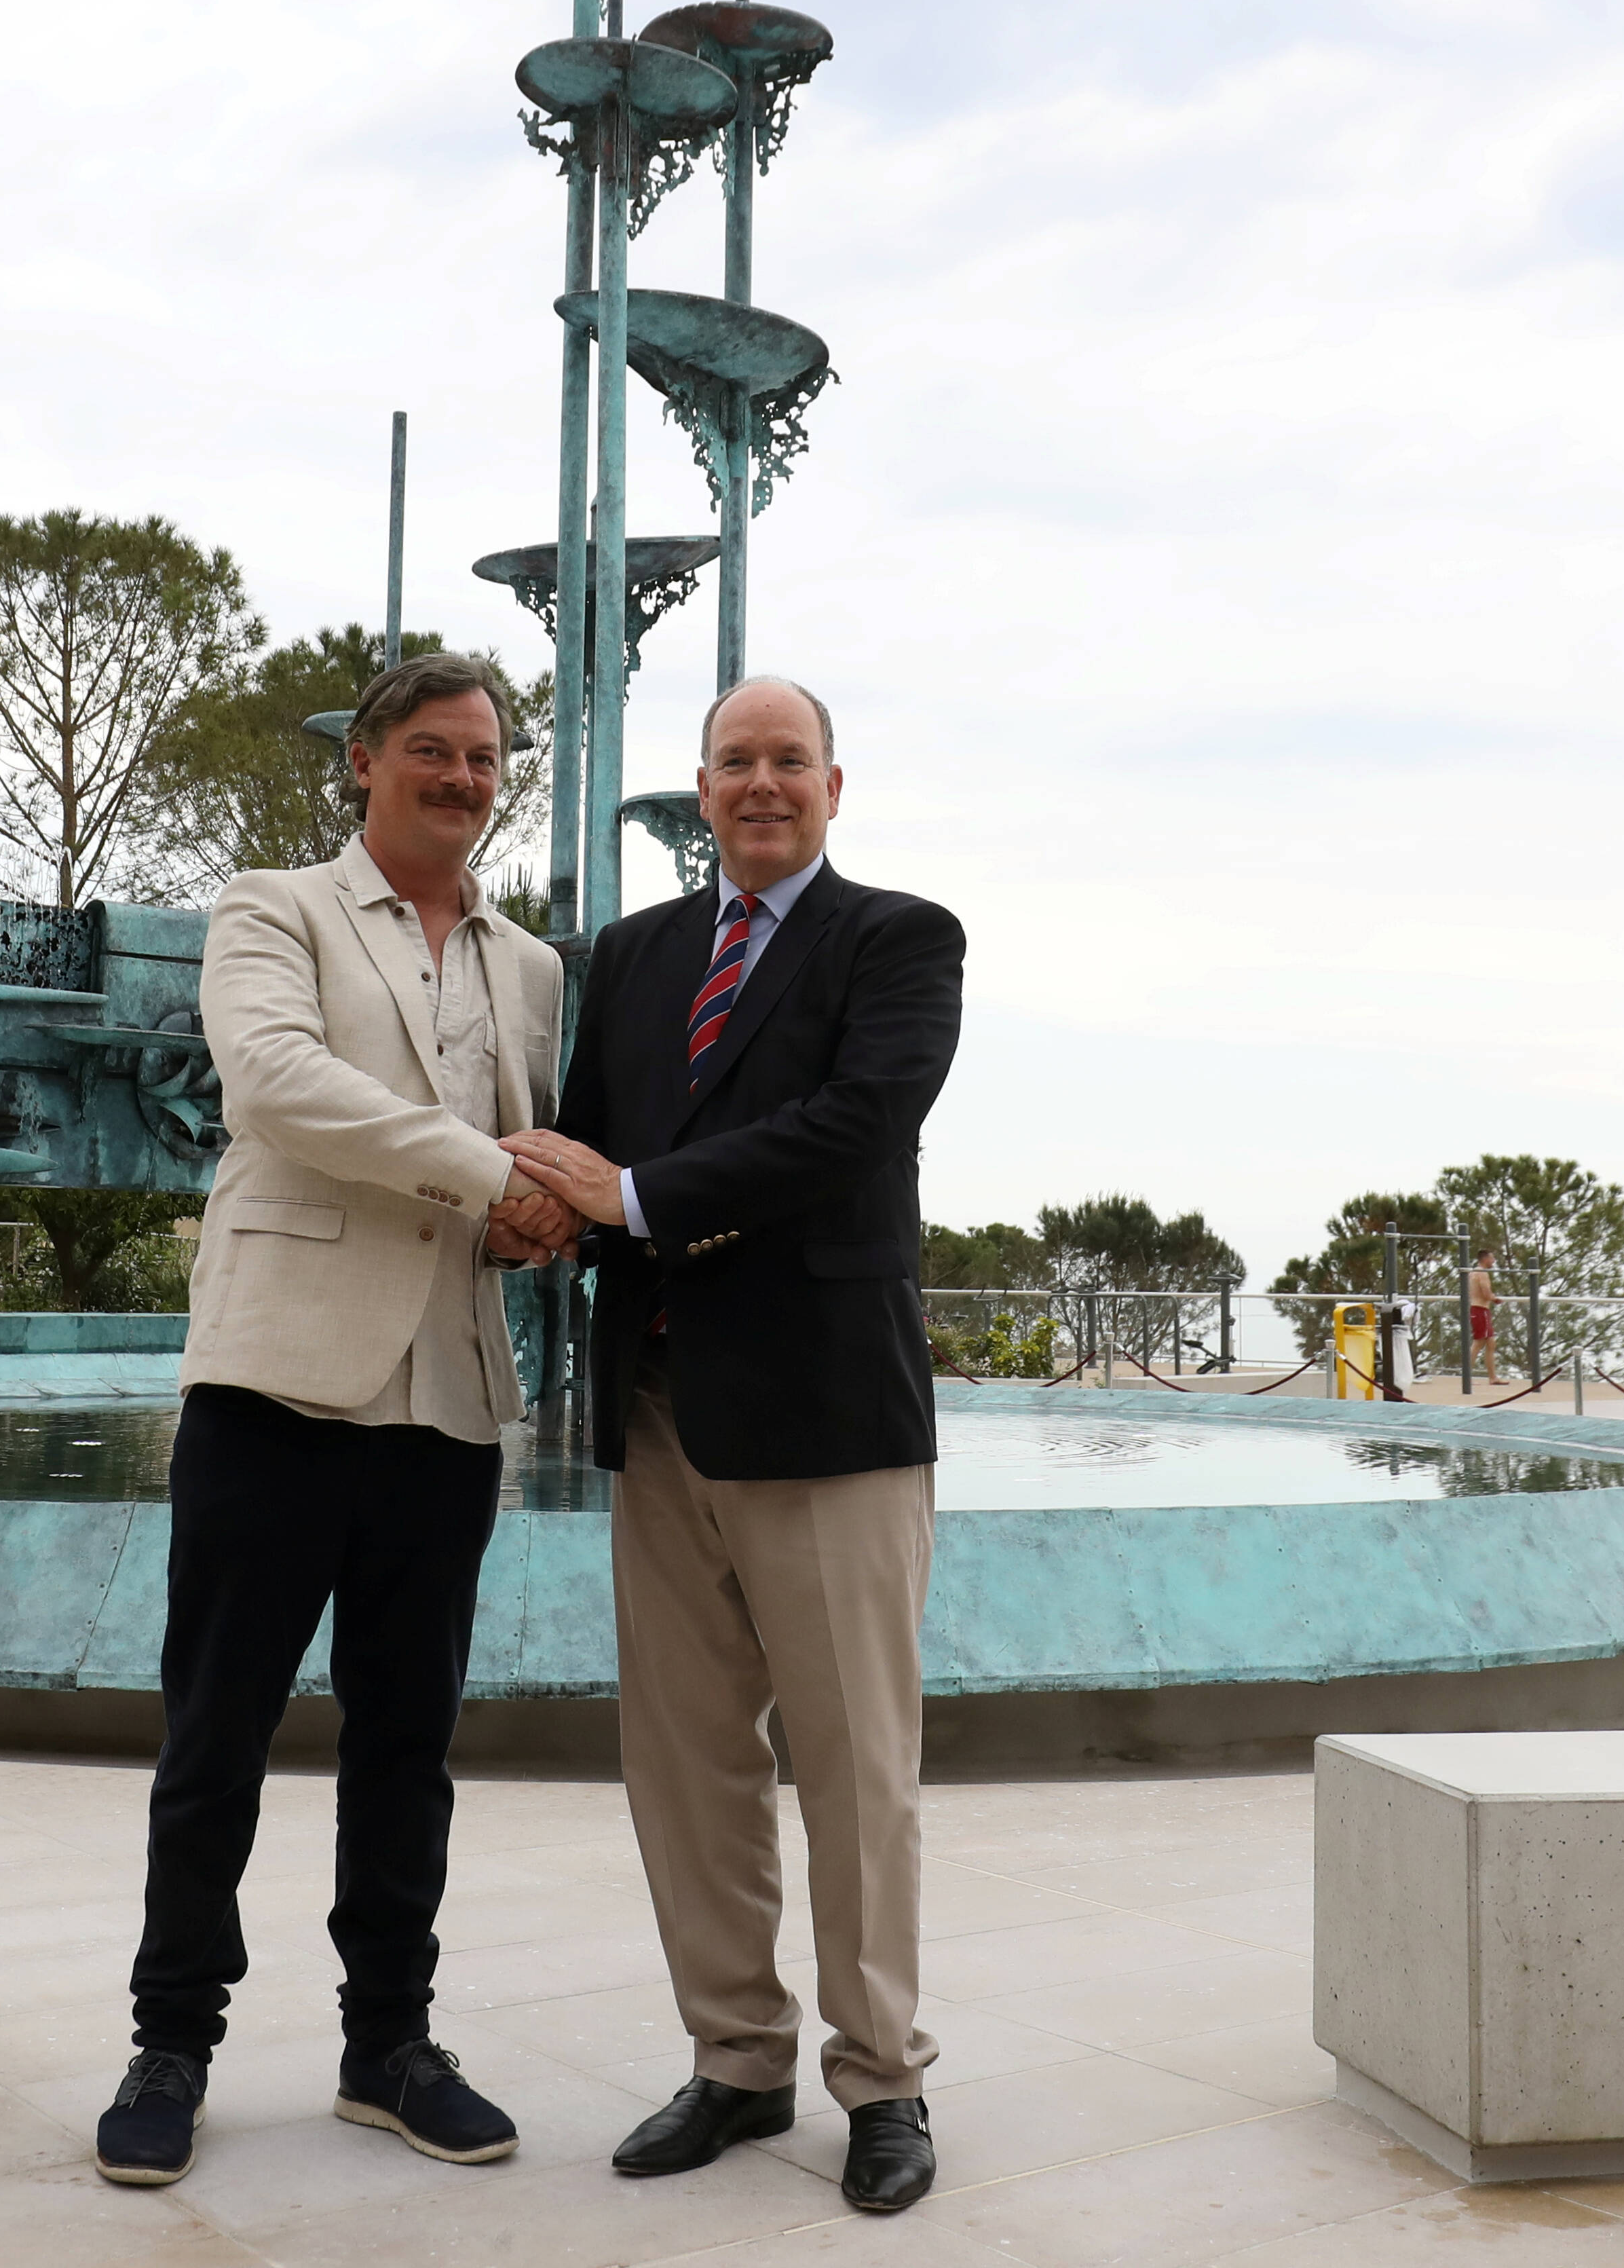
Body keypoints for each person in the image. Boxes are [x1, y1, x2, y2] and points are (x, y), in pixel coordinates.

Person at [94, 652, 586, 2191]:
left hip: (445, 1395)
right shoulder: (273, 908)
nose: (462, 777)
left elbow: (522, 1154)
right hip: (275, 1379)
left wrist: (530, 1215)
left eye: (485, 758)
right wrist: (482, 1175)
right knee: (216, 1738)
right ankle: (172, 2041)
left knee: (407, 1747)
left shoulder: (533, 967)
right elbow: (279, 1086)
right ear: (364, 762)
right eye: (431, 751)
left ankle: (391, 2044)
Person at [497, 675, 966, 2216]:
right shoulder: (627, 960)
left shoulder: (899, 940)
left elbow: (859, 1125)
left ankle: (882, 2076)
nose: (760, 784)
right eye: (733, 763)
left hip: (831, 1420)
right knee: (685, 1770)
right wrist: (531, 1206)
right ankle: (738, 2060)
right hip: (658, 1412)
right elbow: (572, 1141)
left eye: (788, 761)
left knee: (855, 1771)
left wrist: (625, 1194)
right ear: (698, 792)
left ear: (836, 783)